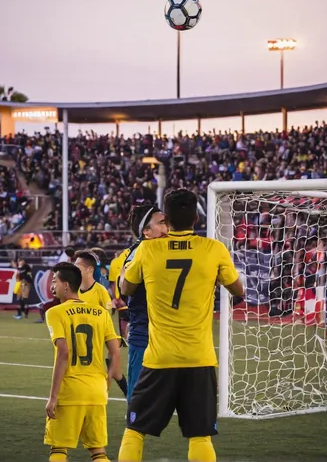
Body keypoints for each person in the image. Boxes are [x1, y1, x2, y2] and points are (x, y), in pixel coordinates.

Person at [118, 189, 245, 462]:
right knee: (200, 435)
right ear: (196, 219)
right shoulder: (213, 249)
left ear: (168, 220)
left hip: (159, 358)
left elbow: (126, 287)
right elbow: (238, 289)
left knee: (134, 430)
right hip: (199, 357)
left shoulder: (147, 249)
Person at [44, 262, 121, 462]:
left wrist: (53, 397)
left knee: (58, 449)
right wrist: (108, 380)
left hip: (70, 390)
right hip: (97, 390)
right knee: (98, 452)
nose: (52, 286)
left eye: (55, 281)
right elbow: (115, 352)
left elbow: (63, 352)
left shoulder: (55, 312)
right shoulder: (101, 314)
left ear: (67, 286)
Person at [123, 204, 167, 402]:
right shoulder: (136, 253)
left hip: (171, 335)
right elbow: (125, 288)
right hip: (145, 335)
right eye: (162, 223)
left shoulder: (170, 250)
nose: (168, 228)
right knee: (138, 401)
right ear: (146, 232)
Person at [75, 249, 128, 397]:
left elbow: (107, 312)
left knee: (115, 373)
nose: (75, 270)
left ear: (90, 269)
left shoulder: (100, 290)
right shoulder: (74, 290)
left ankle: (133, 402)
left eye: (78, 267)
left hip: (100, 336)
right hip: (80, 338)